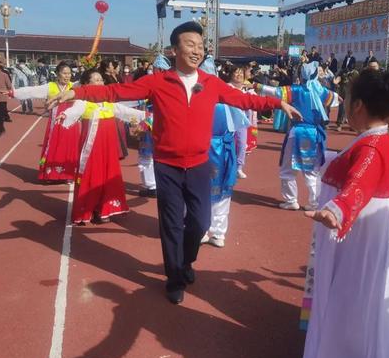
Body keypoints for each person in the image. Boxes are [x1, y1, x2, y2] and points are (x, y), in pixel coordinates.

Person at [48, 21, 300, 304]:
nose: (197, 51)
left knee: (200, 222)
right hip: (167, 165)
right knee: (170, 224)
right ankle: (174, 278)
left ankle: (185, 261)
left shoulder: (211, 83)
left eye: (201, 46)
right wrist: (76, 92)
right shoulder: (158, 82)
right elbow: (114, 92)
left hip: (199, 165)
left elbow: (244, 101)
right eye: (190, 45)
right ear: (174, 49)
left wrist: (278, 104)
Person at [294, 69, 389, 358]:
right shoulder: (374, 140)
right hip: (361, 233)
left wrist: (338, 210)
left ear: (358, 105)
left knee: (351, 303)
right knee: (358, 300)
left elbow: (358, 182)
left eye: (347, 99)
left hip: (358, 238)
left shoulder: (373, 146)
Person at [58, 69, 145, 224]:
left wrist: (147, 117)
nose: (100, 83)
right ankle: (87, 210)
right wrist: (65, 115)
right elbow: (74, 110)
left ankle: (104, 210)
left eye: (101, 80)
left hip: (109, 150)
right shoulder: (83, 102)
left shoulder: (109, 103)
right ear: (86, 85)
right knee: (93, 176)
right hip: (92, 150)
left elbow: (127, 112)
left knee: (109, 176)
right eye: (95, 80)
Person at [255, 61, 338, 211]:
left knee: (287, 169)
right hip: (314, 134)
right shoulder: (321, 91)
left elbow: (275, 92)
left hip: (297, 132)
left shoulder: (297, 90)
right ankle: (314, 202)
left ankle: (291, 200)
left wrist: (258, 86)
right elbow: (336, 100)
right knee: (311, 171)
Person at [199, 57, 251, 248]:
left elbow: (241, 133)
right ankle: (215, 232)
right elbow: (241, 133)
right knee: (220, 192)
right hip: (220, 151)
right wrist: (239, 158)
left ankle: (204, 230)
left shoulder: (197, 99)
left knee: (202, 191)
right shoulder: (227, 99)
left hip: (207, 150)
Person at [8, 61, 80, 181]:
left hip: (71, 123)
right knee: (54, 146)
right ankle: (51, 174)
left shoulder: (74, 86)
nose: (67, 76)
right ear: (57, 73)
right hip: (56, 123)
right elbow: (32, 90)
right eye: (64, 73)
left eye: (69, 73)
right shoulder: (50, 86)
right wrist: (14, 93)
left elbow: (89, 84)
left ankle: (68, 174)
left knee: (70, 147)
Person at [135, 54, 172, 198]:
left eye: (155, 69)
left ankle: (152, 186)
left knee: (147, 155)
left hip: (152, 121)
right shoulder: (172, 84)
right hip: (164, 124)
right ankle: (158, 184)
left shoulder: (155, 83)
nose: (153, 71)